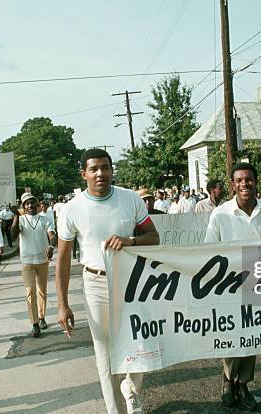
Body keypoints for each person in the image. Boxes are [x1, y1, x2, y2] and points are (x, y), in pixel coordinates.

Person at [55, 148, 159, 414]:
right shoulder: (71, 209)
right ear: (84, 174)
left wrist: (130, 240)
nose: (100, 173)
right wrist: (62, 305)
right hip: (95, 283)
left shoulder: (130, 199)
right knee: (104, 352)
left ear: (112, 170)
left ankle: (131, 390)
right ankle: (115, 410)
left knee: (140, 340)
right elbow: (63, 260)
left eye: (105, 167)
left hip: (131, 281)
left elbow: (153, 236)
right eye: (94, 169)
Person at [205, 162, 261, 411]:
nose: (244, 184)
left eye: (248, 180)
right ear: (232, 185)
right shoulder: (221, 214)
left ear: (255, 182)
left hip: (259, 284)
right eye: (239, 180)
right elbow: (208, 250)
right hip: (228, 285)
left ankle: (244, 384)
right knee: (232, 336)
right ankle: (228, 382)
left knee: (253, 337)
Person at [12, 192, 56, 337]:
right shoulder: (21, 219)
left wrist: (51, 247)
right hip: (27, 261)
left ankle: (42, 317)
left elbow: (52, 234)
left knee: (41, 291)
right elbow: (13, 235)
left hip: (42, 260)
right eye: (27, 203)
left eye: (32, 202)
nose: (30, 205)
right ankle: (35, 323)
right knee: (30, 291)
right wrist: (16, 217)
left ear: (37, 204)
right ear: (23, 206)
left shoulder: (45, 218)